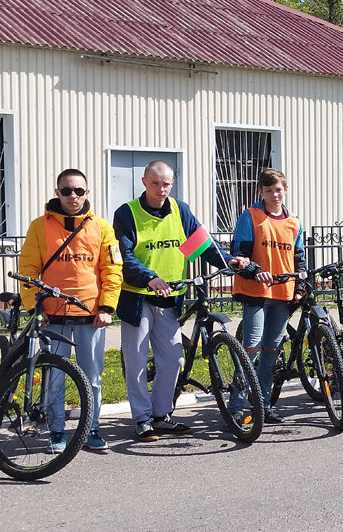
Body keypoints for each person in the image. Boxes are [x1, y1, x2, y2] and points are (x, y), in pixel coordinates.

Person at [114, 160, 248, 441]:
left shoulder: (179, 210)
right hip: (138, 298)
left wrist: (228, 260)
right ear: (143, 182)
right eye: (155, 183)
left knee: (173, 359)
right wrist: (148, 276)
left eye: (166, 184)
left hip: (170, 298)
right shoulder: (127, 213)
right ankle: (141, 419)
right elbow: (125, 257)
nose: (161, 189)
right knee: (136, 361)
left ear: (172, 183)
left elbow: (201, 245)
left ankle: (161, 415)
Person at [17, 169, 123, 453]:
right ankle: (56, 432)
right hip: (54, 316)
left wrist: (107, 306)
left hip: (91, 316)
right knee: (54, 377)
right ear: (57, 192)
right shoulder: (39, 227)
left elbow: (111, 269)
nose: (72, 196)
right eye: (66, 191)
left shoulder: (101, 227)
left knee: (92, 377)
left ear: (87, 193)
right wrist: (33, 307)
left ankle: (92, 428)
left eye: (78, 191)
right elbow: (27, 270)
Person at [231, 169, 304, 424]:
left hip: (283, 293)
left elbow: (299, 258)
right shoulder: (250, 216)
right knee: (250, 348)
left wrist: (301, 284)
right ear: (261, 192)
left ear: (285, 190)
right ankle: (237, 405)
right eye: (269, 190)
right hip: (256, 293)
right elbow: (240, 254)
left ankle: (262, 403)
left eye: (279, 190)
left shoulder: (294, 222)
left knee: (272, 350)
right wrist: (254, 271)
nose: (275, 195)